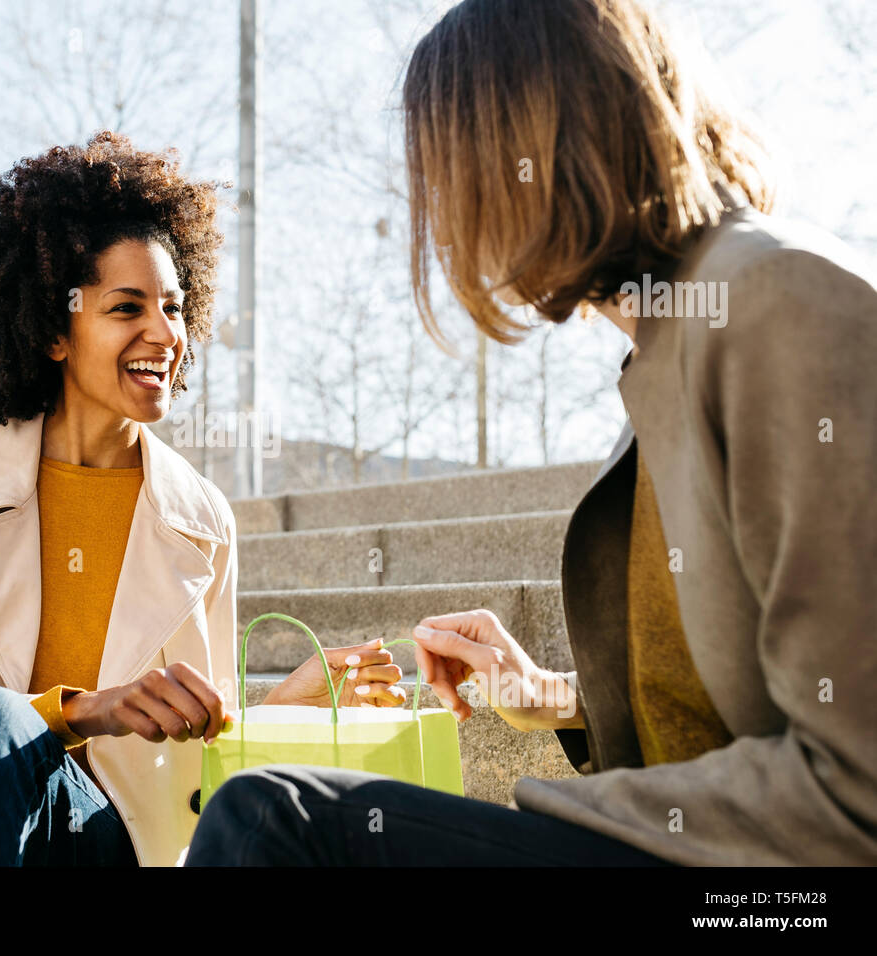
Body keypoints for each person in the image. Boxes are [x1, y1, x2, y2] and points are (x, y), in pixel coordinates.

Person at [187, 0, 877, 866]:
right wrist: (551, 695)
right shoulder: (676, 339)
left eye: (451, 168)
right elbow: (736, 706)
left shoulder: (777, 301)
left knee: (272, 820)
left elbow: (856, 778)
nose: (445, 215)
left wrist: (560, 812)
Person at [0, 131, 406, 867]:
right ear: (55, 330)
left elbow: (194, 753)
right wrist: (81, 710)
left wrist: (276, 712)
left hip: (96, 839)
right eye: (127, 307)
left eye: (175, 308)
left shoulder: (203, 518)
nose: (164, 333)